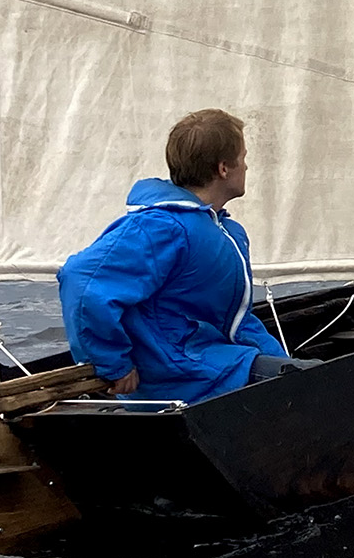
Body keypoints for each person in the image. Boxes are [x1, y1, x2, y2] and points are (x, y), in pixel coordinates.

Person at [56, 108, 313, 402]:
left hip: (216, 365)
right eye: (243, 158)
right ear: (224, 168)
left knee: (320, 376)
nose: (247, 166)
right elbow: (82, 280)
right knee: (327, 387)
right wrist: (113, 365)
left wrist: (282, 361)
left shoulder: (224, 230)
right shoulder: (161, 228)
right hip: (183, 377)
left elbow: (237, 322)